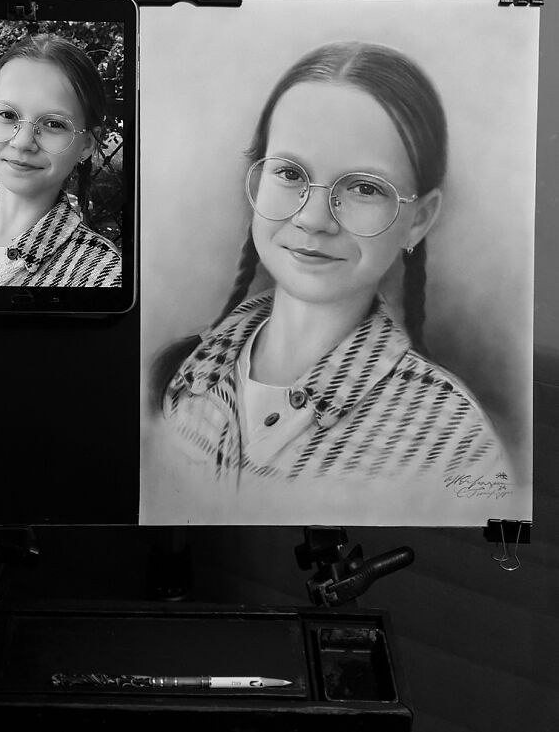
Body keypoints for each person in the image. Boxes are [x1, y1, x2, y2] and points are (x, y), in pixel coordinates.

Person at [147, 40, 514, 525]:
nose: (315, 218)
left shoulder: (450, 435)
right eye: (290, 173)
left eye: (365, 187)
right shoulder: (186, 375)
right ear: (257, 185)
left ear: (420, 220)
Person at [0, 34, 121, 287]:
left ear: (87, 145)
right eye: (7, 114)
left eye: (53, 124)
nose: (22, 141)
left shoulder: (103, 276)